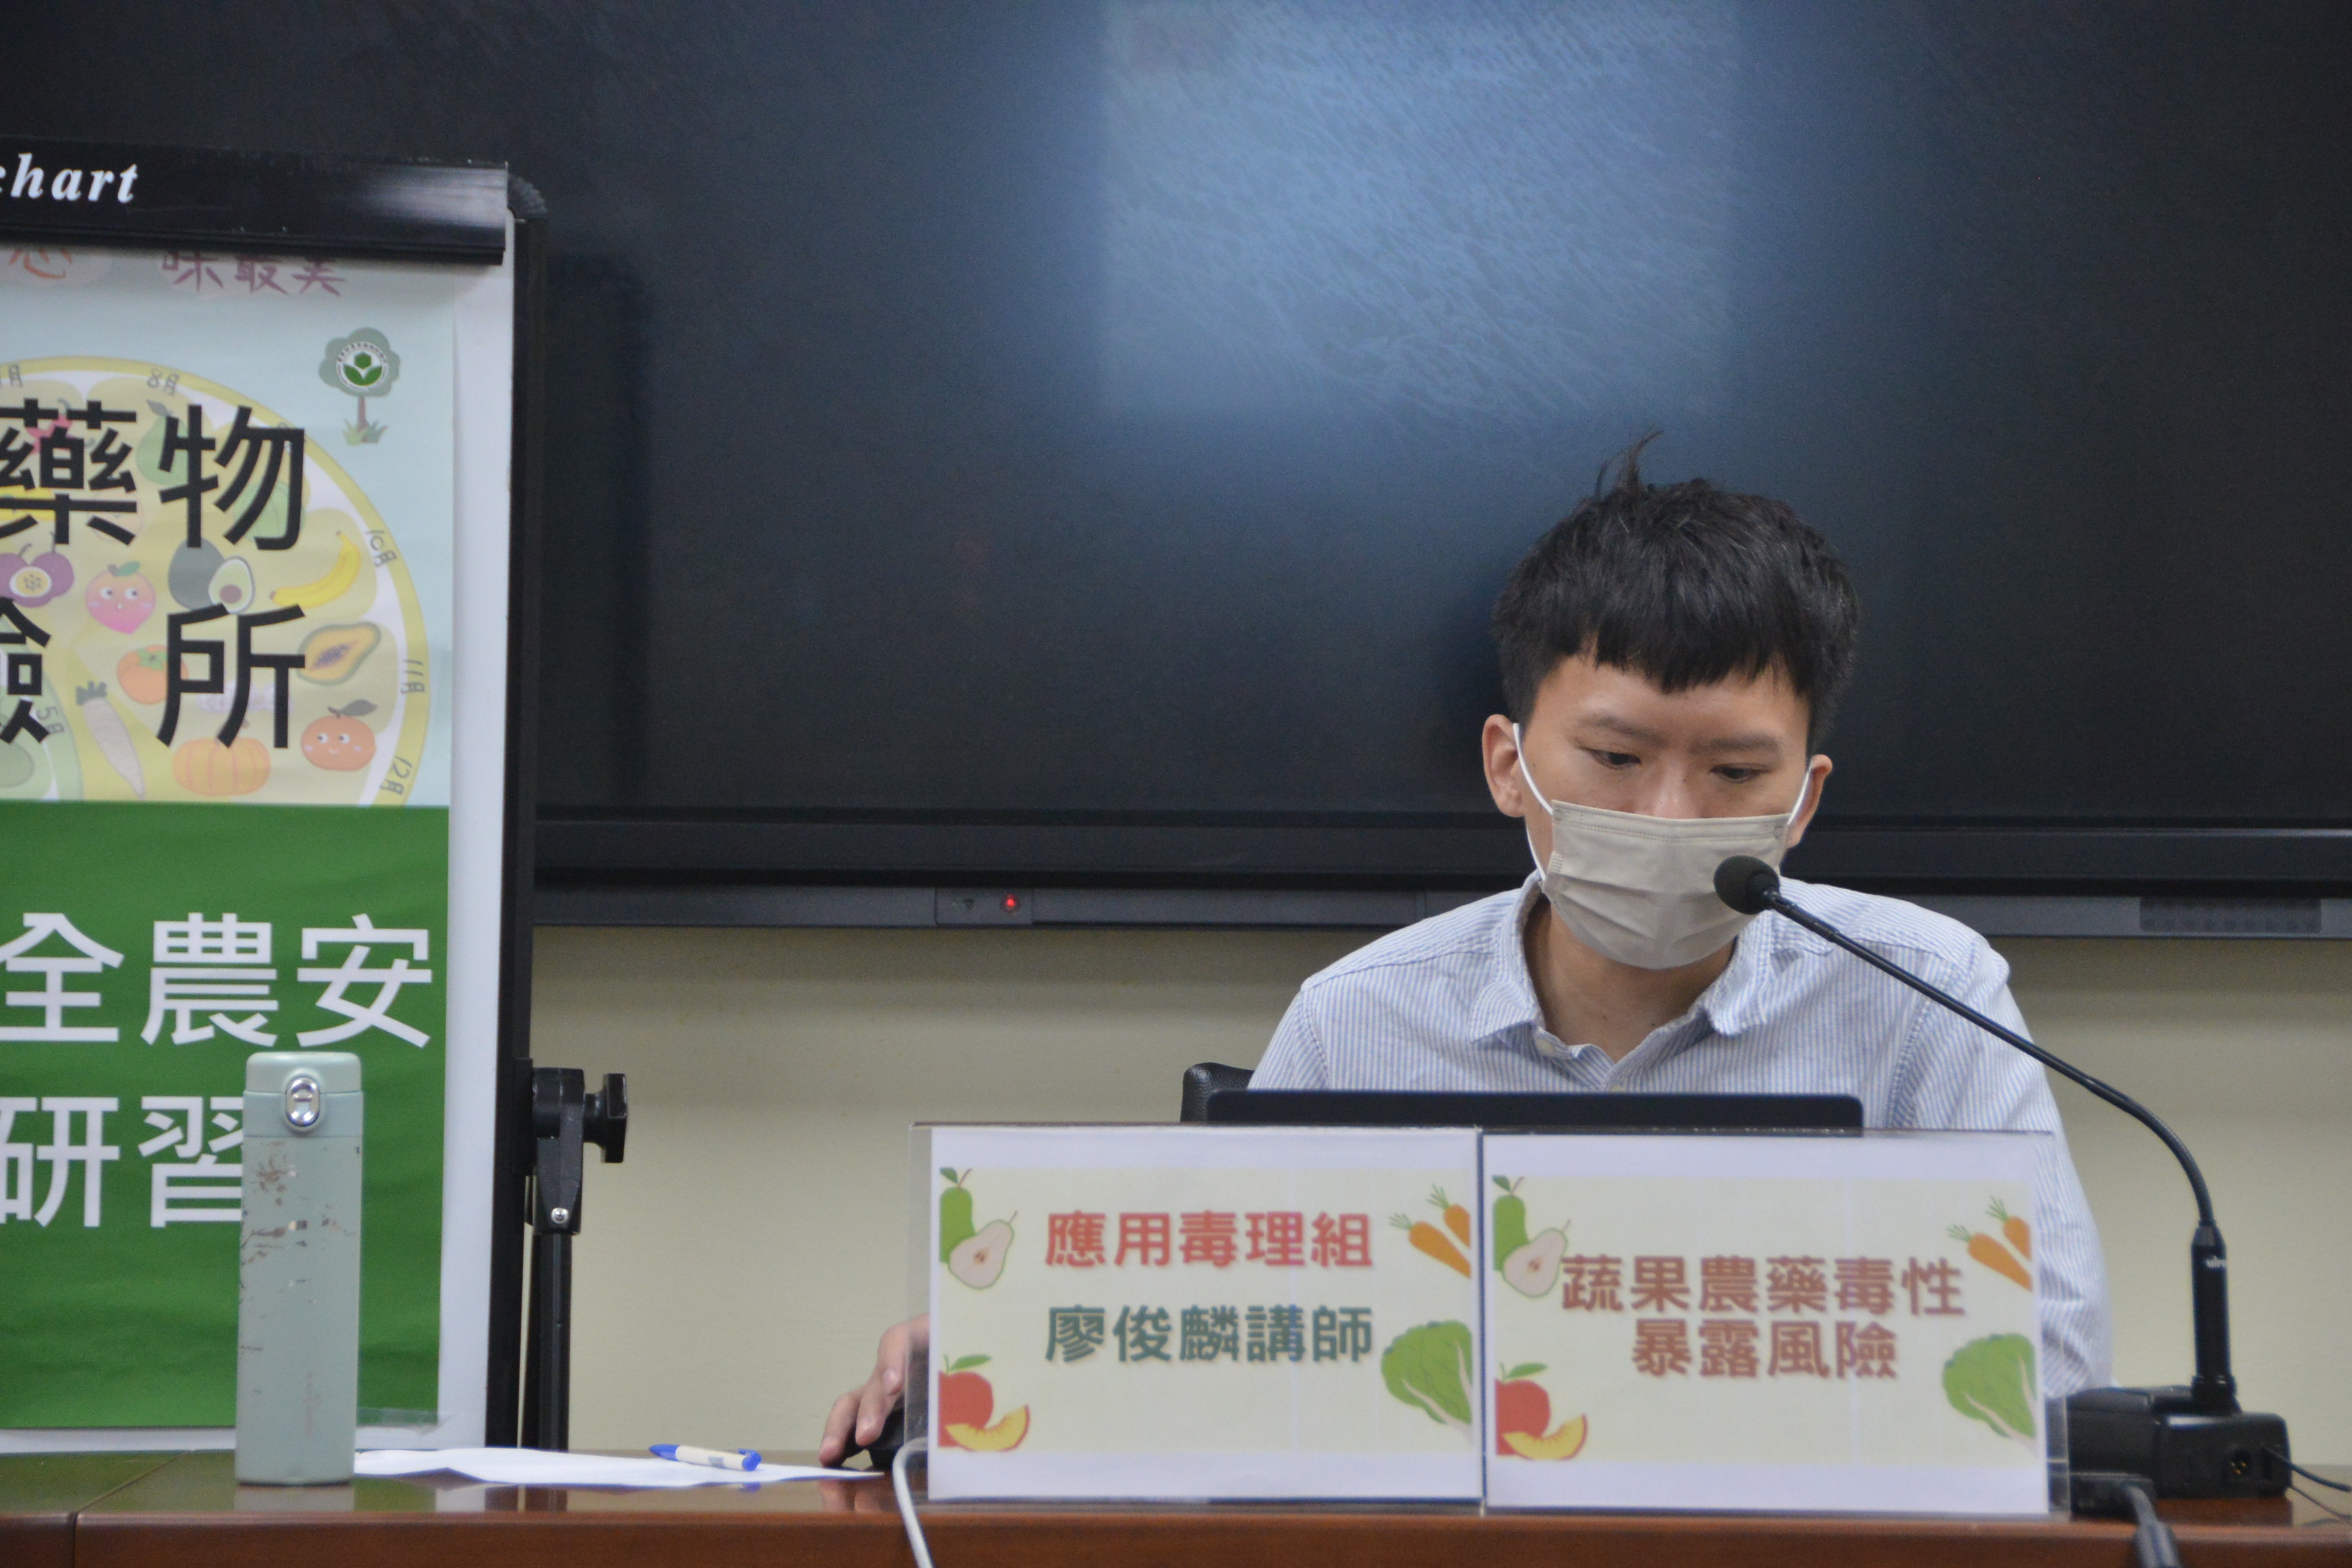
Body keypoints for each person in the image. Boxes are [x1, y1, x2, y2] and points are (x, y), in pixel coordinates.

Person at [819, 445, 2110, 1463]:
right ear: (1508, 764)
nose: (1669, 817)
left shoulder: (1926, 998)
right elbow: (1237, 1357)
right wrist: (1015, 1350)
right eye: (1615, 758)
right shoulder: (1360, 1019)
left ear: (1804, 802)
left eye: (1732, 774)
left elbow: (2049, 1375)